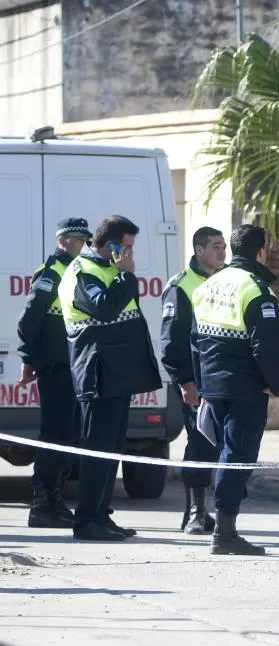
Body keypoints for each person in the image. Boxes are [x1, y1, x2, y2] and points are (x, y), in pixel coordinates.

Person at [58, 214, 163, 541]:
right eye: (127, 247)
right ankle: (87, 520)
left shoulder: (107, 270)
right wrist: (126, 277)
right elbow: (104, 308)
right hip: (98, 373)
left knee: (112, 448)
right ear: (112, 245)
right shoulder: (82, 272)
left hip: (116, 374)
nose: (130, 254)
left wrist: (121, 276)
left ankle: (101, 515)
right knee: (98, 449)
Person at [191, 223, 279, 556]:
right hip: (245, 387)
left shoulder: (208, 285)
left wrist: (201, 385)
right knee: (237, 457)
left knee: (226, 454)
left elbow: (195, 341)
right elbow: (267, 348)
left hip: (213, 386)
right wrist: (277, 386)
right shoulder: (258, 290)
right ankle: (225, 532)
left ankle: (225, 525)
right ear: (261, 251)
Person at [16, 218, 91, 528]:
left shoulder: (76, 271)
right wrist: (29, 357)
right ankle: (42, 504)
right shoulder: (53, 272)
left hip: (72, 366)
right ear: (62, 240)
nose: (82, 244)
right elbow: (29, 319)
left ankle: (55, 500)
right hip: (56, 366)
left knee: (68, 434)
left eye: (85, 239)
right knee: (56, 434)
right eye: (77, 239)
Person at [160, 226, 227, 534]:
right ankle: (196, 512)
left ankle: (207, 512)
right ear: (199, 250)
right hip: (197, 382)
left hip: (224, 378)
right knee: (199, 442)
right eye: (215, 247)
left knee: (218, 444)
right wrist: (185, 381)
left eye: (224, 246)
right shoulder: (182, 286)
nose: (221, 252)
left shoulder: (227, 280)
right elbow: (172, 342)